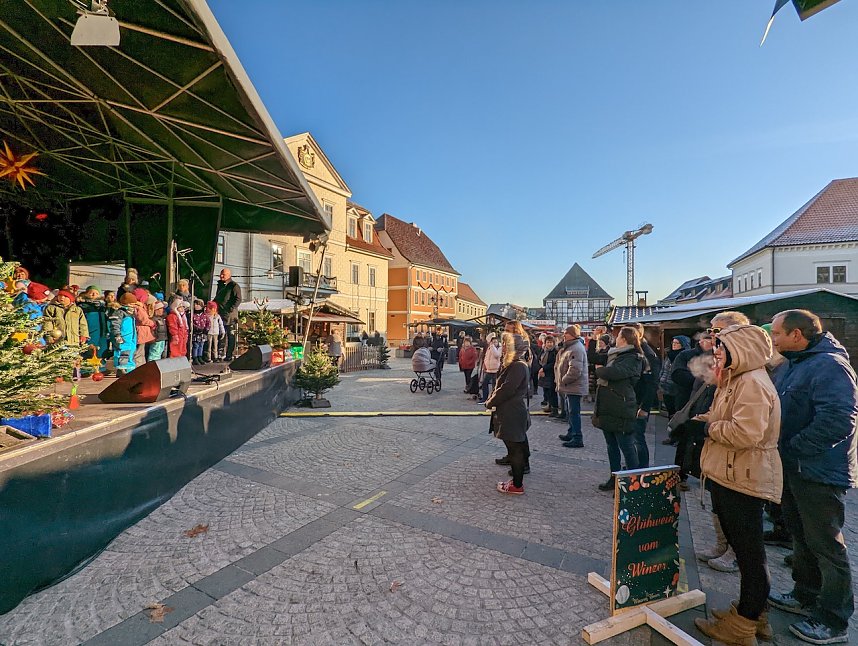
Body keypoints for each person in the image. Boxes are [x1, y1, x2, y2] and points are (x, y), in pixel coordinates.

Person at [767, 309, 856, 645]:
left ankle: (834, 620)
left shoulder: (830, 366)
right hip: (794, 466)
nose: (772, 339)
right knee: (801, 536)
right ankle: (805, 594)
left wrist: (796, 447)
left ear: (797, 335)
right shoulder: (794, 362)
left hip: (817, 471)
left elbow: (839, 418)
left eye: (776, 333)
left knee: (826, 545)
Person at [693, 324, 782, 646]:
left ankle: (743, 626)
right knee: (747, 552)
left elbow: (746, 433)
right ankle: (754, 613)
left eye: (721, 348)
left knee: (749, 554)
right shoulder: (738, 379)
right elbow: (726, 416)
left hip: (743, 475)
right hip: (733, 472)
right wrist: (698, 421)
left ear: (739, 349)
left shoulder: (752, 383)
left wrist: (708, 430)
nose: (715, 353)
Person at [593, 327, 642, 491]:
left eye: (619, 335)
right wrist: (595, 338)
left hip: (621, 407)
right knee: (611, 446)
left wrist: (600, 370)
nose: (616, 338)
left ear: (625, 339)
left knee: (627, 447)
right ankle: (614, 478)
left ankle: (632, 484)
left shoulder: (633, 356)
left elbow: (614, 372)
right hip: (608, 407)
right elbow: (594, 356)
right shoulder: (615, 354)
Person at [487, 333, 531, 495]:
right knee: (514, 448)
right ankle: (516, 482)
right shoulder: (514, 364)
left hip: (512, 413)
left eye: (506, 345)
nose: (503, 347)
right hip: (509, 411)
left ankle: (517, 485)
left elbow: (507, 389)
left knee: (515, 450)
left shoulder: (518, 366)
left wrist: (490, 402)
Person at [627, 322, 661, 469]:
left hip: (639, 402)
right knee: (631, 437)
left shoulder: (647, 354)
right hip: (631, 400)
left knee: (637, 437)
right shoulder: (634, 351)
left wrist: (644, 407)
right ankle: (633, 467)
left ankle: (641, 469)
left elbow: (652, 383)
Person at [555, 324, 588, 448]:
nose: (564, 335)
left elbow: (575, 370)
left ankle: (577, 437)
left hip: (574, 386)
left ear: (573, 335)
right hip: (571, 386)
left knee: (574, 412)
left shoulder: (576, 348)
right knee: (571, 411)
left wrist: (564, 380)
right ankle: (571, 432)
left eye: (566, 333)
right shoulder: (571, 347)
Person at [659, 336, 691, 424]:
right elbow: (664, 368)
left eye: (677, 343)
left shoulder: (685, 356)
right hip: (666, 387)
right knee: (669, 411)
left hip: (677, 389)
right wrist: (661, 379)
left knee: (677, 413)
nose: (674, 345)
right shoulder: (669, 355)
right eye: (673, 343)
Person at [214, 268, 241, 362]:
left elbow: (238, 299)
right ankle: (220, 354)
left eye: (223, 274)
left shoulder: (234, 286)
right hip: (220, 314)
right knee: (221, 334)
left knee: (230, 335)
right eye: (221, 274)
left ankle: (229, 354)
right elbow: (217, 298)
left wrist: (230, 309)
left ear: (229, 275)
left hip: (230, 316)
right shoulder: (220, 285)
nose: (221, 276)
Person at [108, 293, 138, 375]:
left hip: (130, 337)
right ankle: (121, 369)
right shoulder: (120, 312)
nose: (134, 305)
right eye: (132, 304)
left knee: (131, 352)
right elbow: (115, 324)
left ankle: (129, 368)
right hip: (123, 337)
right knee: (122, 352)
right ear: (126, 303)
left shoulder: (130, 313)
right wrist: (117, 335)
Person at [538, 335, 559, 417]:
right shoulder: (543, 351)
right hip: (544, 374)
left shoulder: (554, 352)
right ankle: (549, 406)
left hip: (551, 374)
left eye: (551, 342)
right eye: (548, 342)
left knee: (552, 392)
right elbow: (539, 360)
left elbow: (553, 363)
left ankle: (555, 409)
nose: (549, 344)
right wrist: (541, 369)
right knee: (546, 391)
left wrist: (544, 368)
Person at [478, 333, 502, 403]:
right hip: (489, 370)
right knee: (484, 384)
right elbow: (486, 357)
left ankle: (494, 399)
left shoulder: (499, 348)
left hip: (495, 370)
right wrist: (485, 365)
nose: (494, 343)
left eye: (495, 342)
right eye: (493, 342)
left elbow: (497, 355)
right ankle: (485, 398)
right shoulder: (489, 348)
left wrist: (492, 346)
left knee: (495, 385)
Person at [191, 298, 210, 365]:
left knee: (201, 345)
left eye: (198, 305)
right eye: (195, 304)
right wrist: (196, 328)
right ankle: (195, 357)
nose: (196, 306)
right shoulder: (192, 315)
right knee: (195, 345)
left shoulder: (204, 315)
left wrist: (206, 329)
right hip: (196, 333)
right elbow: (191, 323)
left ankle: (200, 356)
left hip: (203, 333)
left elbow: (208, 322)